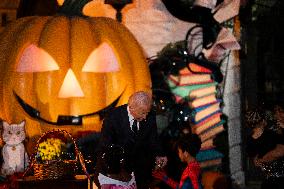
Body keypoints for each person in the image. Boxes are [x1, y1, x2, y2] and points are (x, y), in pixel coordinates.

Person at [97, 91, 167, 189]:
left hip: (139, 172)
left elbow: (153, 139)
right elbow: (106, 145)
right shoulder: (113, 116)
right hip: (114, 173)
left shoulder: (150, 117)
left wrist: (159, 154)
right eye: (142, 113)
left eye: (147, 112)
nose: (145, 117)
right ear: (131, 107)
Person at [245, 106, 284, 189]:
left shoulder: (249, 140)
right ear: (263, 121)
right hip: (279, 176)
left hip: (268, 176)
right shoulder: (271, 134)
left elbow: (253, 157)